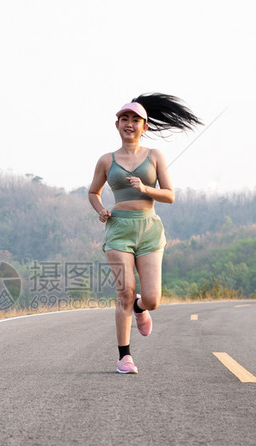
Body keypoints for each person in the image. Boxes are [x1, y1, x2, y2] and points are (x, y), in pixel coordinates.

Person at [88, 93, 202, 374]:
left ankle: (140, 309)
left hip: (149, 229)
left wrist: (144, 189)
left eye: (135, 120)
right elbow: (93, 192)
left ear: (144, 127)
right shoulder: (106, 160)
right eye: (124, 119)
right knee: (124, 292)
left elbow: (169, 195)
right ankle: (124, 357)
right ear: (117, 125)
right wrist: (101, 209)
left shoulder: (154, 156)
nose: (129, 124)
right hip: (118, 230)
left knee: (151, 299)